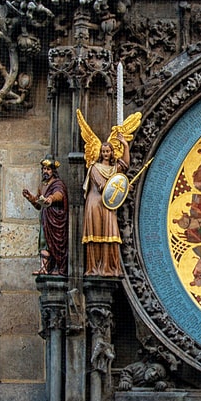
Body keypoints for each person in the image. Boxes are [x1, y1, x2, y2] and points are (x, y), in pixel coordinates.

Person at [78, 109, 141, 276]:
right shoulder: (94, 168)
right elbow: (103, 186)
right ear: (100, 153)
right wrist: (124, 188)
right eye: (103, 152)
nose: (106, 154)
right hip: (95, 203)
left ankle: (109, 268)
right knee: (95, 234)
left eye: (108, 151)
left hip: (108, 204)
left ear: (112, 153)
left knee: (111, 233)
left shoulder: (114, 168)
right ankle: (94, 268)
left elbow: (125, 165)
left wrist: (125, 145)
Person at [23, 159, 69, 275]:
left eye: (48, 169)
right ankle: (44, 268)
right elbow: (39, 205)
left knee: (56, 244)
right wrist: (30, 198)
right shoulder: (42, 185)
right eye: (44, 169)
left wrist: (51, 198)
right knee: (44, 242)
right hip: (45, 219)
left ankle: (58, 268)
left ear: (53, 171)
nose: (46, 171)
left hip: (55, 219)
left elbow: (60, 195)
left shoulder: (58, 183)